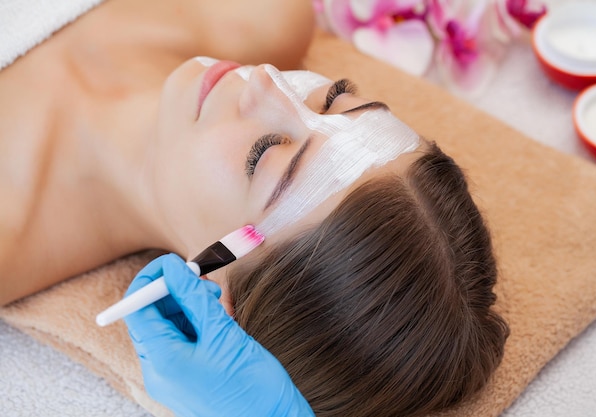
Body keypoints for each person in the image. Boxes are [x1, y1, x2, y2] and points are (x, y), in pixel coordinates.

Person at [0, 0, 510, 416]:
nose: (267, 80)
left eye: (266, 155)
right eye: (331, 100)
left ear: (214, 293)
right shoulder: (262, 11)